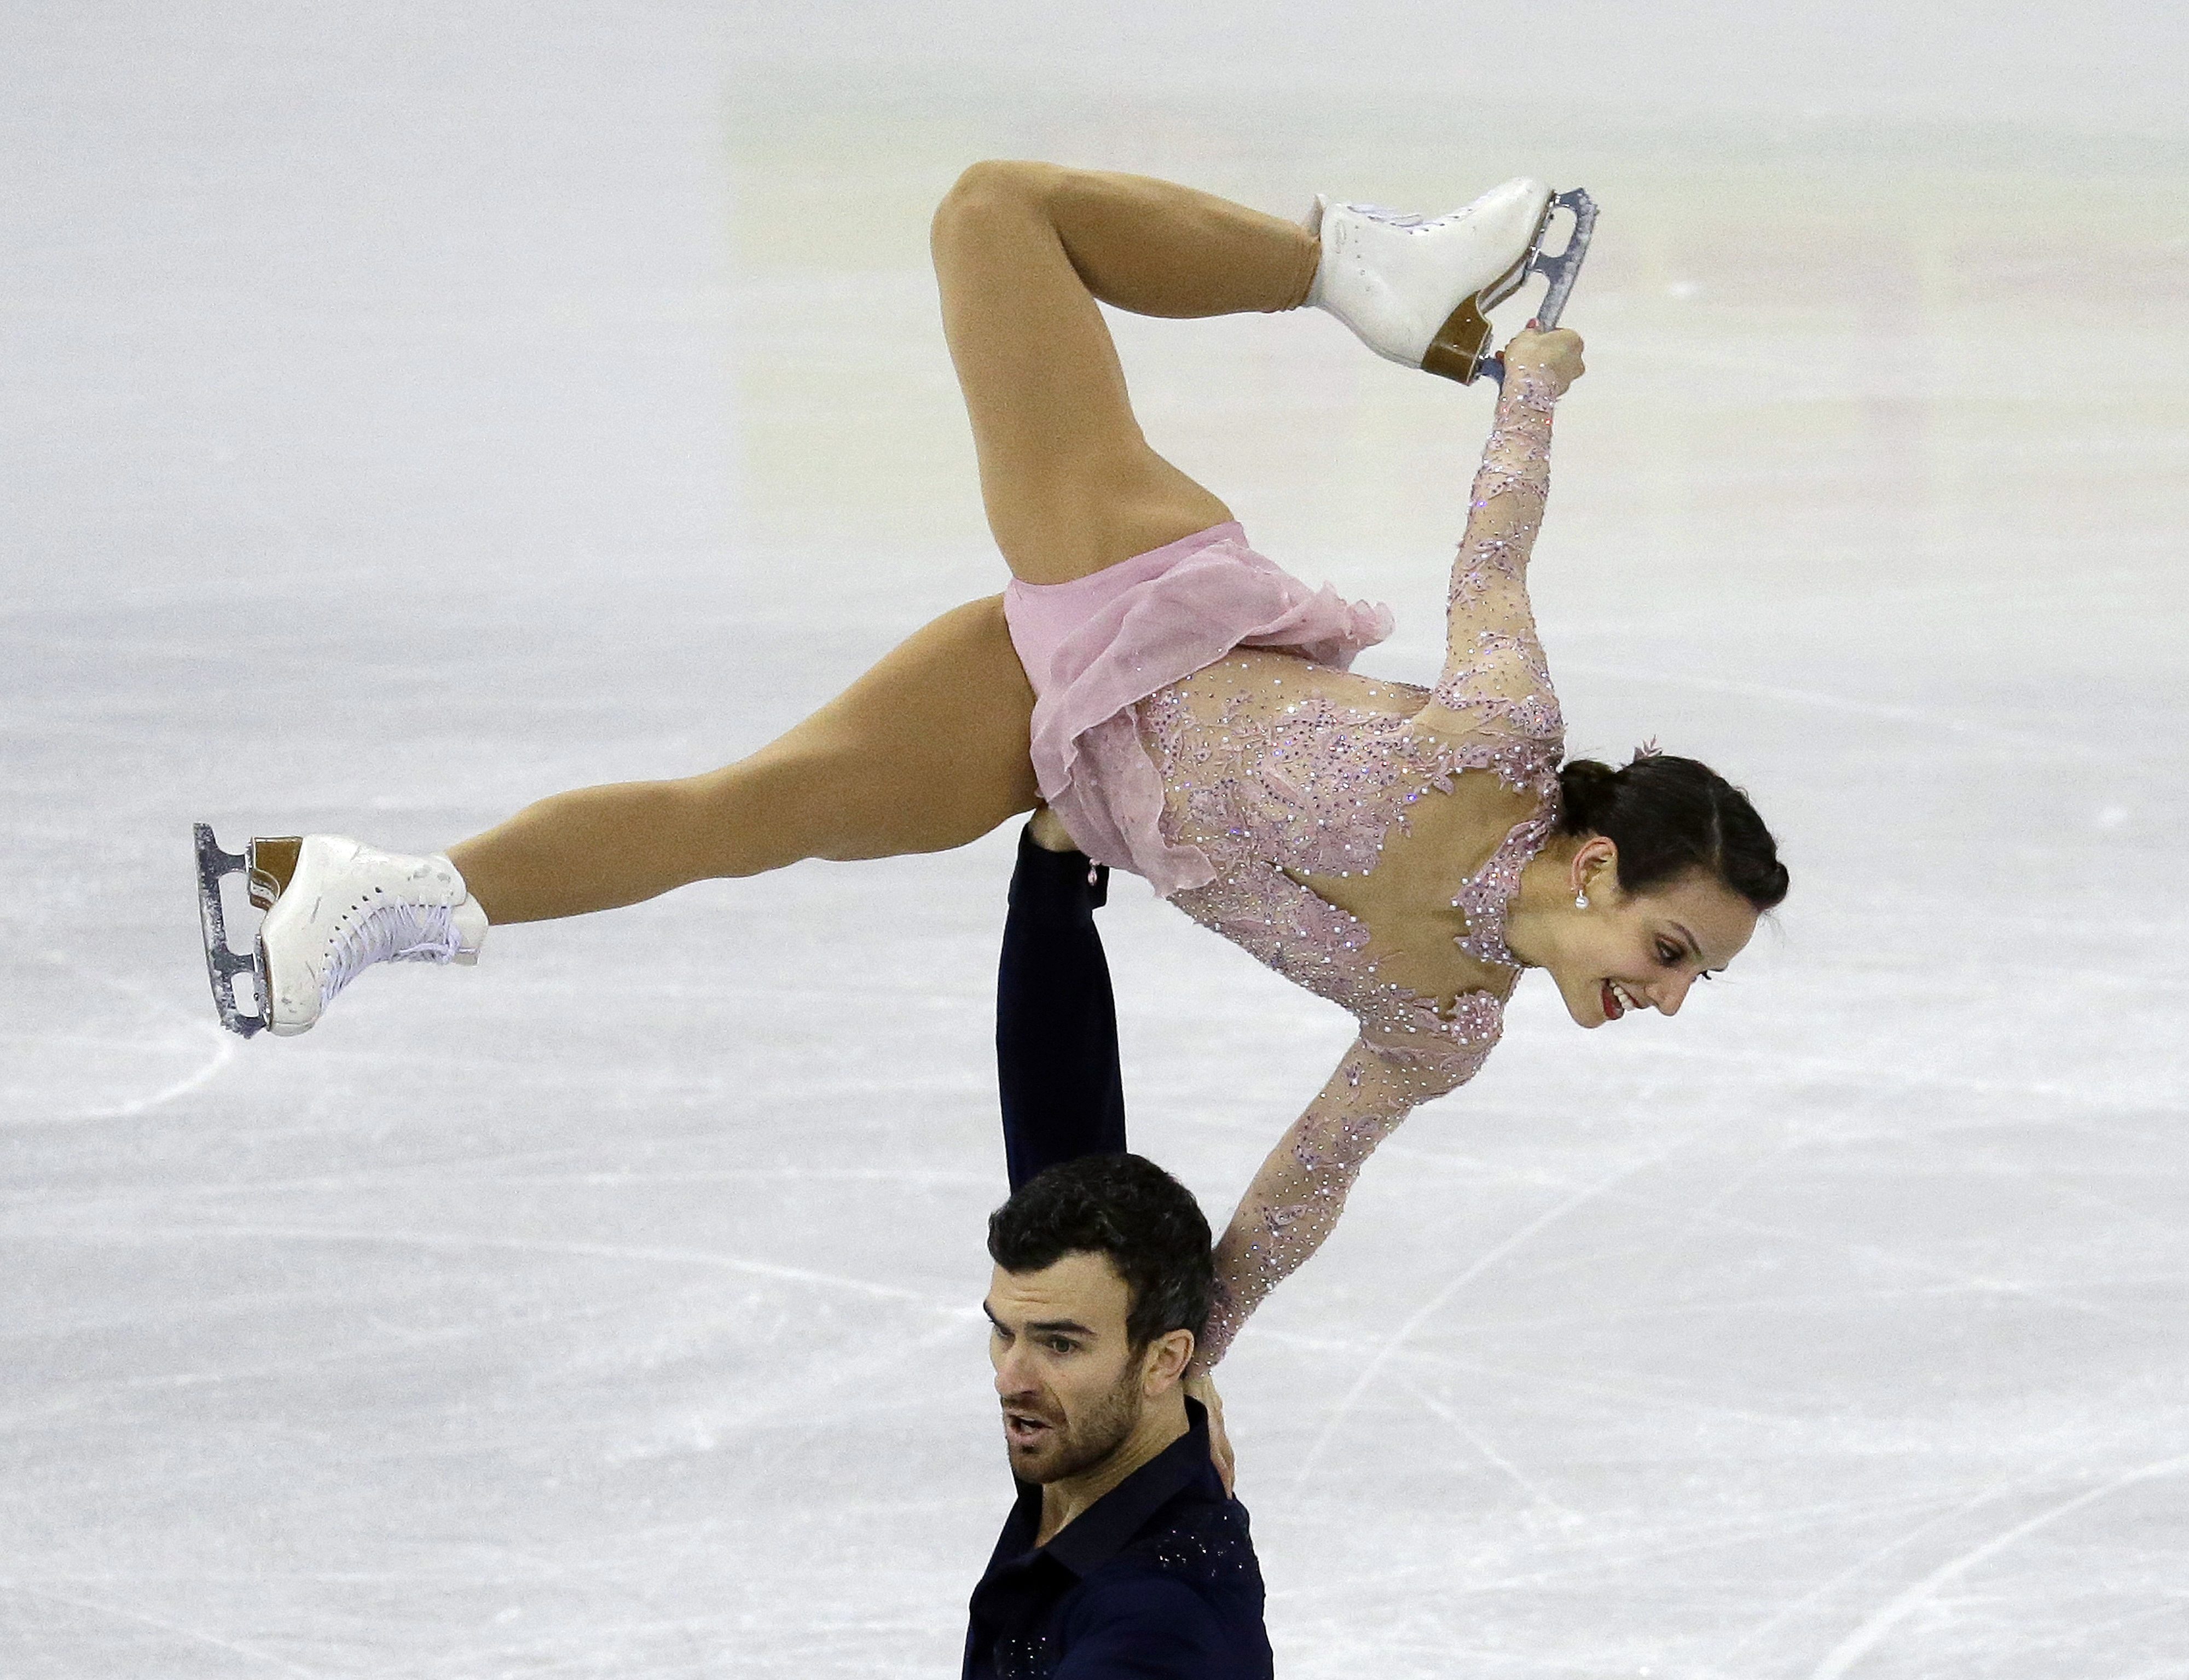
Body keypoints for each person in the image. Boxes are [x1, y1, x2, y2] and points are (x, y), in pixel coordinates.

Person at [199, 160, 1788, 1376]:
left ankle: (360, 899)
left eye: (1689, 978)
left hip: (1045, 742)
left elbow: (1293, 1200)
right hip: (1141, 595)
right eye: (1670, 947)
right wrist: (1526, 386)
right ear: (1598, 867)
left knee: (742, 820)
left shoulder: (1435, 1028)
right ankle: (1362, 270)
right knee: (996, 213)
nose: (1662, 993)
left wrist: (1181, 1373)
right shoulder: (1498, 739)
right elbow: (1496, 544)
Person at [972, 1151, 1271, 1680]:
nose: (1010, 1380)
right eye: (1003, 1332)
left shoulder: (1157, 1621)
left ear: (1164, 1361)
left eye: (1059, 1345)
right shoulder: (1084, 1457)